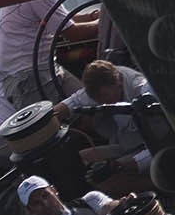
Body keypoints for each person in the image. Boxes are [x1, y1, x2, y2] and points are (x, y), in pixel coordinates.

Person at [0, 0, 98, 158]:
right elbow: (72, 33)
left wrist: (92, 16)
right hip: (29, 77)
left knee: (92, 102)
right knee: (51, 136)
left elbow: (57, 14)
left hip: (46, 68)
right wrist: (105, 21)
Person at [57, 59, 161, 193]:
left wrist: (118, 166)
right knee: (80, 158)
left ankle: (161, 185)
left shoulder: (143, 92)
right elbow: (71, 103)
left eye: (104, 96)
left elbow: (161, 147)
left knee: (109, 183)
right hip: (127, 145)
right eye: (97, 99)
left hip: (152, 151)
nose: (101, 101)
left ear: (118, 83)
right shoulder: (102, 85)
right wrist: (46, 120)